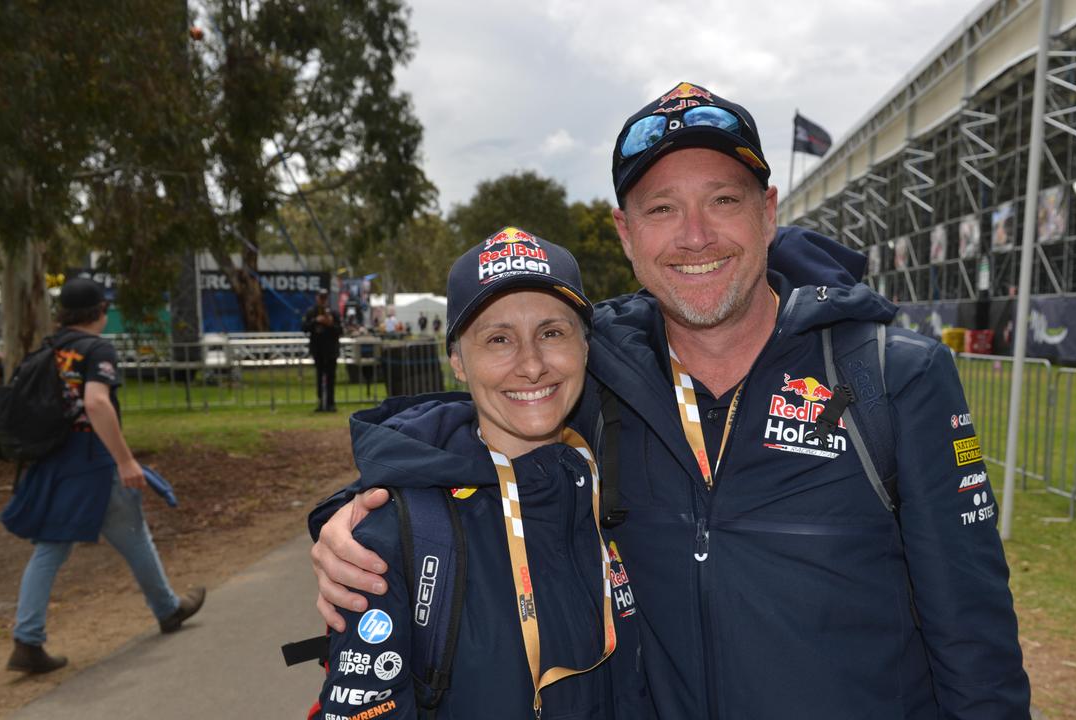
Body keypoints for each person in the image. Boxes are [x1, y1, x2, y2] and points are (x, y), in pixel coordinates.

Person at [311, 83, 1030, 718]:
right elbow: (487, 418)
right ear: (626, 233)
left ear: (768, 212)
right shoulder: (601, 374)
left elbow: (975, 639)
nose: (695, 236)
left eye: (722, 200)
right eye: (662, 209)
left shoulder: (891, 377)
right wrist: (357, 520)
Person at [309, 228, 651, 719]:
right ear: (457, 363)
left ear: (586, 347)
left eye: (552, 333)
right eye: (498, 339)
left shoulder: (619, 478)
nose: (532, 365)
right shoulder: (397, 532)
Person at [0, 278, 204, 674]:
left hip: (54, 461)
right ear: (99, 312)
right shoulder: (97, 349)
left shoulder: (50, 348)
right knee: (133, 533)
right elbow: (96, 402)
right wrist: (126, 461)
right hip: (93, 461)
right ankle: (167, 608)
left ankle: (27, 639)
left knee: (51, 547)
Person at [302, 289, 342, 412]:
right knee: (319, 377)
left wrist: (330, 324)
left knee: (331, 377)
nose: (323, 300)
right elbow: (304, 328)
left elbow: (340, 330)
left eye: (325, 298)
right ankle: (321, 402)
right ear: (317, 298)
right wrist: (316, 321)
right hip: (318, 350)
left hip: (331, 351)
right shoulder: (311, 312)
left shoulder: (334, 313)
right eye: (321, 297)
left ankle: (331, 403)